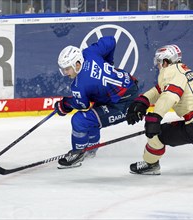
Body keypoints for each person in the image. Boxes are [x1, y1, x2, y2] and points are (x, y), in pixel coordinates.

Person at [126, 44, 193, 175]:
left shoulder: (170, 71)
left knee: (157, 135)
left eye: (160, 62)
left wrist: (155, 118)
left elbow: (170, 95)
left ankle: (151, 164)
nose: (158, 65)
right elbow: (159, 90)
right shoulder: (181, 69)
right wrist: (142, 101)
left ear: (165, 61)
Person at [55, 36, 139, 169]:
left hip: (126, 104)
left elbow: (82, 105)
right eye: (63, 69)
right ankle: (91, 150)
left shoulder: (80, 84)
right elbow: (110, 40)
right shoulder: (89, 53)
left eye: (67, 68)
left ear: (77, 64)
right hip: (126, 88)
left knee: (80, 120)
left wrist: (64, 105)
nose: (65, 73)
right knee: (92, 117)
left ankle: (78, 153)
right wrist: (108, 62)